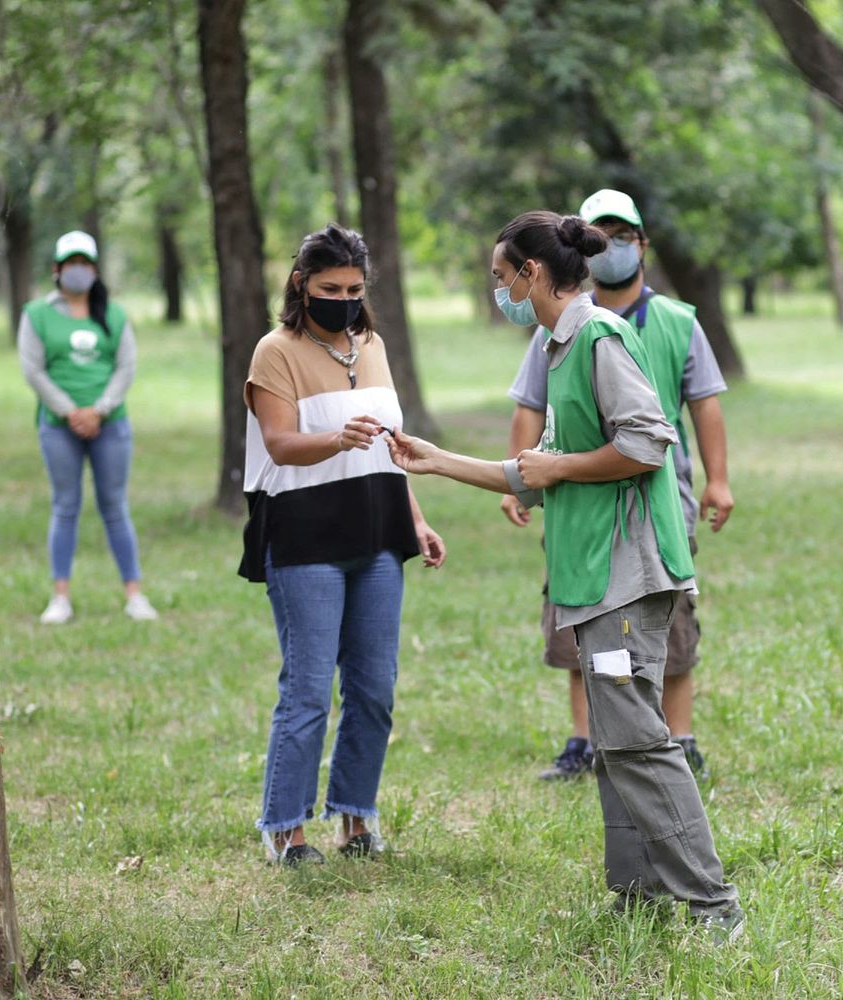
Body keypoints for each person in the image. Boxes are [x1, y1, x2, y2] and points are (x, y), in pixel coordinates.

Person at [389, 211, 743, 942]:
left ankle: (714, 906)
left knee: (640, 742)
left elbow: (648, 441)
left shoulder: (598, 339)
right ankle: (641, 893)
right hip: (589, 576)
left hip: (627, 576)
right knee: (617, 742)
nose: (500, 291)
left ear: (534, 274)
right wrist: (434, 459)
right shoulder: (558, 346)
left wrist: (562, 467)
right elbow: (536, 474)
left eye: (501, 278)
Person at [500, 189, 733, 783]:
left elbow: (687, 417)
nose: (613, 245)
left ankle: (676, 739)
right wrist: (518, 476)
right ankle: (587, 741)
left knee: (666, 622)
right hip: (579, 505)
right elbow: (530, 407)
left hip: (656, 504)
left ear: (641, 244)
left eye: (621, 233)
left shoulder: (660, 324)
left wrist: (718, 480)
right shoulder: (555, 329)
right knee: (579, 615)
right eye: (601, 233)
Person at [240, 224, 445, 865]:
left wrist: (415, 517)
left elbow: (388, 447)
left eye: (355, 288)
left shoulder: (373, 346)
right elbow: (279, 444)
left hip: (378, 529)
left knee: (375, 687)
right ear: (302, 284)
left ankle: (357, 818)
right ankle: (286, 830)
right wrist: (335, 438)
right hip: (305, 534)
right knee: (307, 689)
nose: (344, 299)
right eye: (331, 288)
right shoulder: (274, 351)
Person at [19, 231, 158, 624]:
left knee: (115, 507)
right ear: (57, 270)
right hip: (58, 426)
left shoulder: (113, 314)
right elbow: (33, 369)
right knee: (65, 506)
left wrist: (99, 409)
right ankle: (60, 596)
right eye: (71, 263)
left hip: (110, 425)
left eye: (85, 263)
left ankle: (134, 594)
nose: (78, 271)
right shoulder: (37, 314)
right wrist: (70, 412)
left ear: (94, 270)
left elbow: (125, 366)